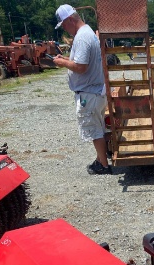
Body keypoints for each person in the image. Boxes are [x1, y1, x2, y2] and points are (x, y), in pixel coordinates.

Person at [53, 4, 111, 175]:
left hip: (89, 93)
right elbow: (82, 62)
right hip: (95, 91)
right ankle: (101, 159)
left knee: (94, 130)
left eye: (64, 24)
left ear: (70, 19)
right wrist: (65, 58)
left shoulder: (82, 37)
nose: (64, 28)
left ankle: (104, 166)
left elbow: (81, 67)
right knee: (98, 127)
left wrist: (62, 63)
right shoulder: (88, 33)